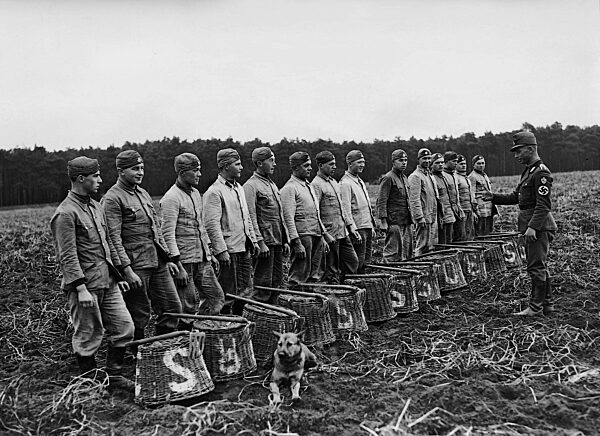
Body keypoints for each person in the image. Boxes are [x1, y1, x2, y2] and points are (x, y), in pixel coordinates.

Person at [51, 157, 134, 383]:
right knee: (88, 335)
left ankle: (114, 375)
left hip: (108, 282)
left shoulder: (96, 207)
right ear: (80, 179)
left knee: (124, 327)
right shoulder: (66, 213)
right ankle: (91, 382)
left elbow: (106, 246)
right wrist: (80, 288)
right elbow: (67, 256)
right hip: (86, 287)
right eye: (95, 176)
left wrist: (118, 276)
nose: (100, 180)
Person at [102, 150, 182, 342]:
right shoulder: (113, 198)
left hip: (157, 262)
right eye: (134, 169)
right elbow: (113, 238)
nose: (140, 172)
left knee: (172, 307)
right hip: (136, 265)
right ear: (121, 171)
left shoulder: (143, 193)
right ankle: (136, 352)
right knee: (139, 313)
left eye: (142, 168)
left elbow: (156, 229)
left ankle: (162, 348)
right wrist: (126, 270)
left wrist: (167, 259)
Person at [482, 131, 557, 316]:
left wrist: (532, 228)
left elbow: (544, 205)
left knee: (535, 267)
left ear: (531, 149)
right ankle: (546, 305)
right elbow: (517, 197)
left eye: (519, 151)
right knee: (539, 266)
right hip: (532, 226)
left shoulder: (541, 173)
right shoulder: (529, 171)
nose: (516, 156)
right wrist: (493, 197)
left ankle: (535, 308)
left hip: (538, 227)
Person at [159, 153, 225, 328]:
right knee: (187, 307)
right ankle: (186, 342)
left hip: (202, 260)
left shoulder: (196, 193)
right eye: (195, 170)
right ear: (182, 172)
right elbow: (167, 234)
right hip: (184, 262)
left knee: (216, 298)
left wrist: (210, 254)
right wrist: (178, 266)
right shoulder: (171, 198)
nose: (199, 174)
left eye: (199, 170)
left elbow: (201, 227)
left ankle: (205, 333)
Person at [203, 148, 259, 313]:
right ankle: (226, 328)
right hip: (229, 250)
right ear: (226, 166)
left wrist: (253, 241)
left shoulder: (239, 188)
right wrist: (221, 250)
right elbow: (212, 224)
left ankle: (240, 325)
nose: (241, 167)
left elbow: (246, 217)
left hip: (243, 247)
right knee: (228, 293)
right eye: (238, 164)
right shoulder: (214, 192)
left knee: (245, 291)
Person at [243, 147, 290, 301]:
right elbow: (250, 216)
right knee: (263, 283)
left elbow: (279, 216)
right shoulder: (251, 186)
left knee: (277, 281)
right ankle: (260, 316)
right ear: (259, 163)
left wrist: (285, 240)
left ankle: (274, 317)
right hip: (265, 243)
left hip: (276, 240)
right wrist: (260, 242)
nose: (274, 164)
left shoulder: (272, 185)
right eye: (271, 160)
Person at [280, 151, 329, 285]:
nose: (310, 168)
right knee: (299, 274)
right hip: (303, 236)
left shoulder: (309, 186)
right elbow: (288, 218)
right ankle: (296, 300)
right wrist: (296, 242)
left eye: (310, 165)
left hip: (316, 235)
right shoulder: (289, 188)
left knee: (314, 274)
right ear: (295, 168)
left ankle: (310, 303)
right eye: (306, 166)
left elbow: (316, 213)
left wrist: (322, 235)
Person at [311, 151, 359, 283]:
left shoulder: (334, 182)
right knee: (331, 269)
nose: (334, 167)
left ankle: (348, 289)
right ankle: (336, 294)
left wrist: (350, 226)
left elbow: (342, 208)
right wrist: (323, 236)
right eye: (330, 164)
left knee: (352, 262)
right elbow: (315, 212)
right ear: (320, 165)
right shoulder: (316, 185)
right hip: (330, 234)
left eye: (335, 164)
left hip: (343, 232)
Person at [339, 150, 376, 273]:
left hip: (367, 226)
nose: (362, 165)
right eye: (359, 162)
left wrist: (372, 226)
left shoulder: (359, 181)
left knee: (367, 260)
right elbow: (345, 209)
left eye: (363, 162)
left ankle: (364, 284)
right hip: (358, 228)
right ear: (349, 163)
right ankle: (355, 283)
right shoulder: (345, 183)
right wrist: (352, 228)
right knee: (358, 262)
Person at [376, 149, 414, 261]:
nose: (404, 163)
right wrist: (383, 221)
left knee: (406, 251)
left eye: (406, 160)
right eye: (401, 160)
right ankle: (387, 272)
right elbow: (381, 201)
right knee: (392, 252)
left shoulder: (404, 178)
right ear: (393, 162)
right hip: (394, 221)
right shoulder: (388, 178)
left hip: (406, 220)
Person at [408, 148, 438, 256]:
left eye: (429, 158)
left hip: (431, 216)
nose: (427, 161)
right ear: (419, 160)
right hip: (423, 217)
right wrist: (419, 217)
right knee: (421, 245)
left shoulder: (428, 175)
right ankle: (418, 264)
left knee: (430, 245)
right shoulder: (415, 176)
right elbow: (414, 199)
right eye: (424, 158)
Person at [441, 151, 467, 241]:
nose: (456, 163)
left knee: (460, 237)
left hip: (457, 211)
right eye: (453, 161)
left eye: (456, 161)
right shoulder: (443, 176)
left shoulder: (454, 175)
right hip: (447, 212)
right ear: (446, 161)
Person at [469, 155, 496, 235]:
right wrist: (475, 209)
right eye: (478, 163)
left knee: (488, 230)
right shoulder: (472, 177)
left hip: (488, 207)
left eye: (483, 163)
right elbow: (472, 193)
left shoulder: (484, 175)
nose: (481, 165)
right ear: (473, 165)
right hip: (480, 207)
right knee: (481, 231)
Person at [431, 153, 455, 245]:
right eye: (437, 163)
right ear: (431, 164)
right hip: (440, 216)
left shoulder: (444, 177)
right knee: (441, 243)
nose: (440, 165)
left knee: (449, 242)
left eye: (442, 162)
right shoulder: (432, 178)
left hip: (449, 214)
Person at [455, 154, 479, 241]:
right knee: (462, 236)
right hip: (462, 211)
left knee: (470, 235)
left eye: (464, 164)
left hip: (469, 211)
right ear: (456, 165)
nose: (464, 166)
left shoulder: (466, 178)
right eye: (461, 164)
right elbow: (456, 197)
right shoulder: (455, 178)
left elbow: (471, 196)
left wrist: (474, 211)